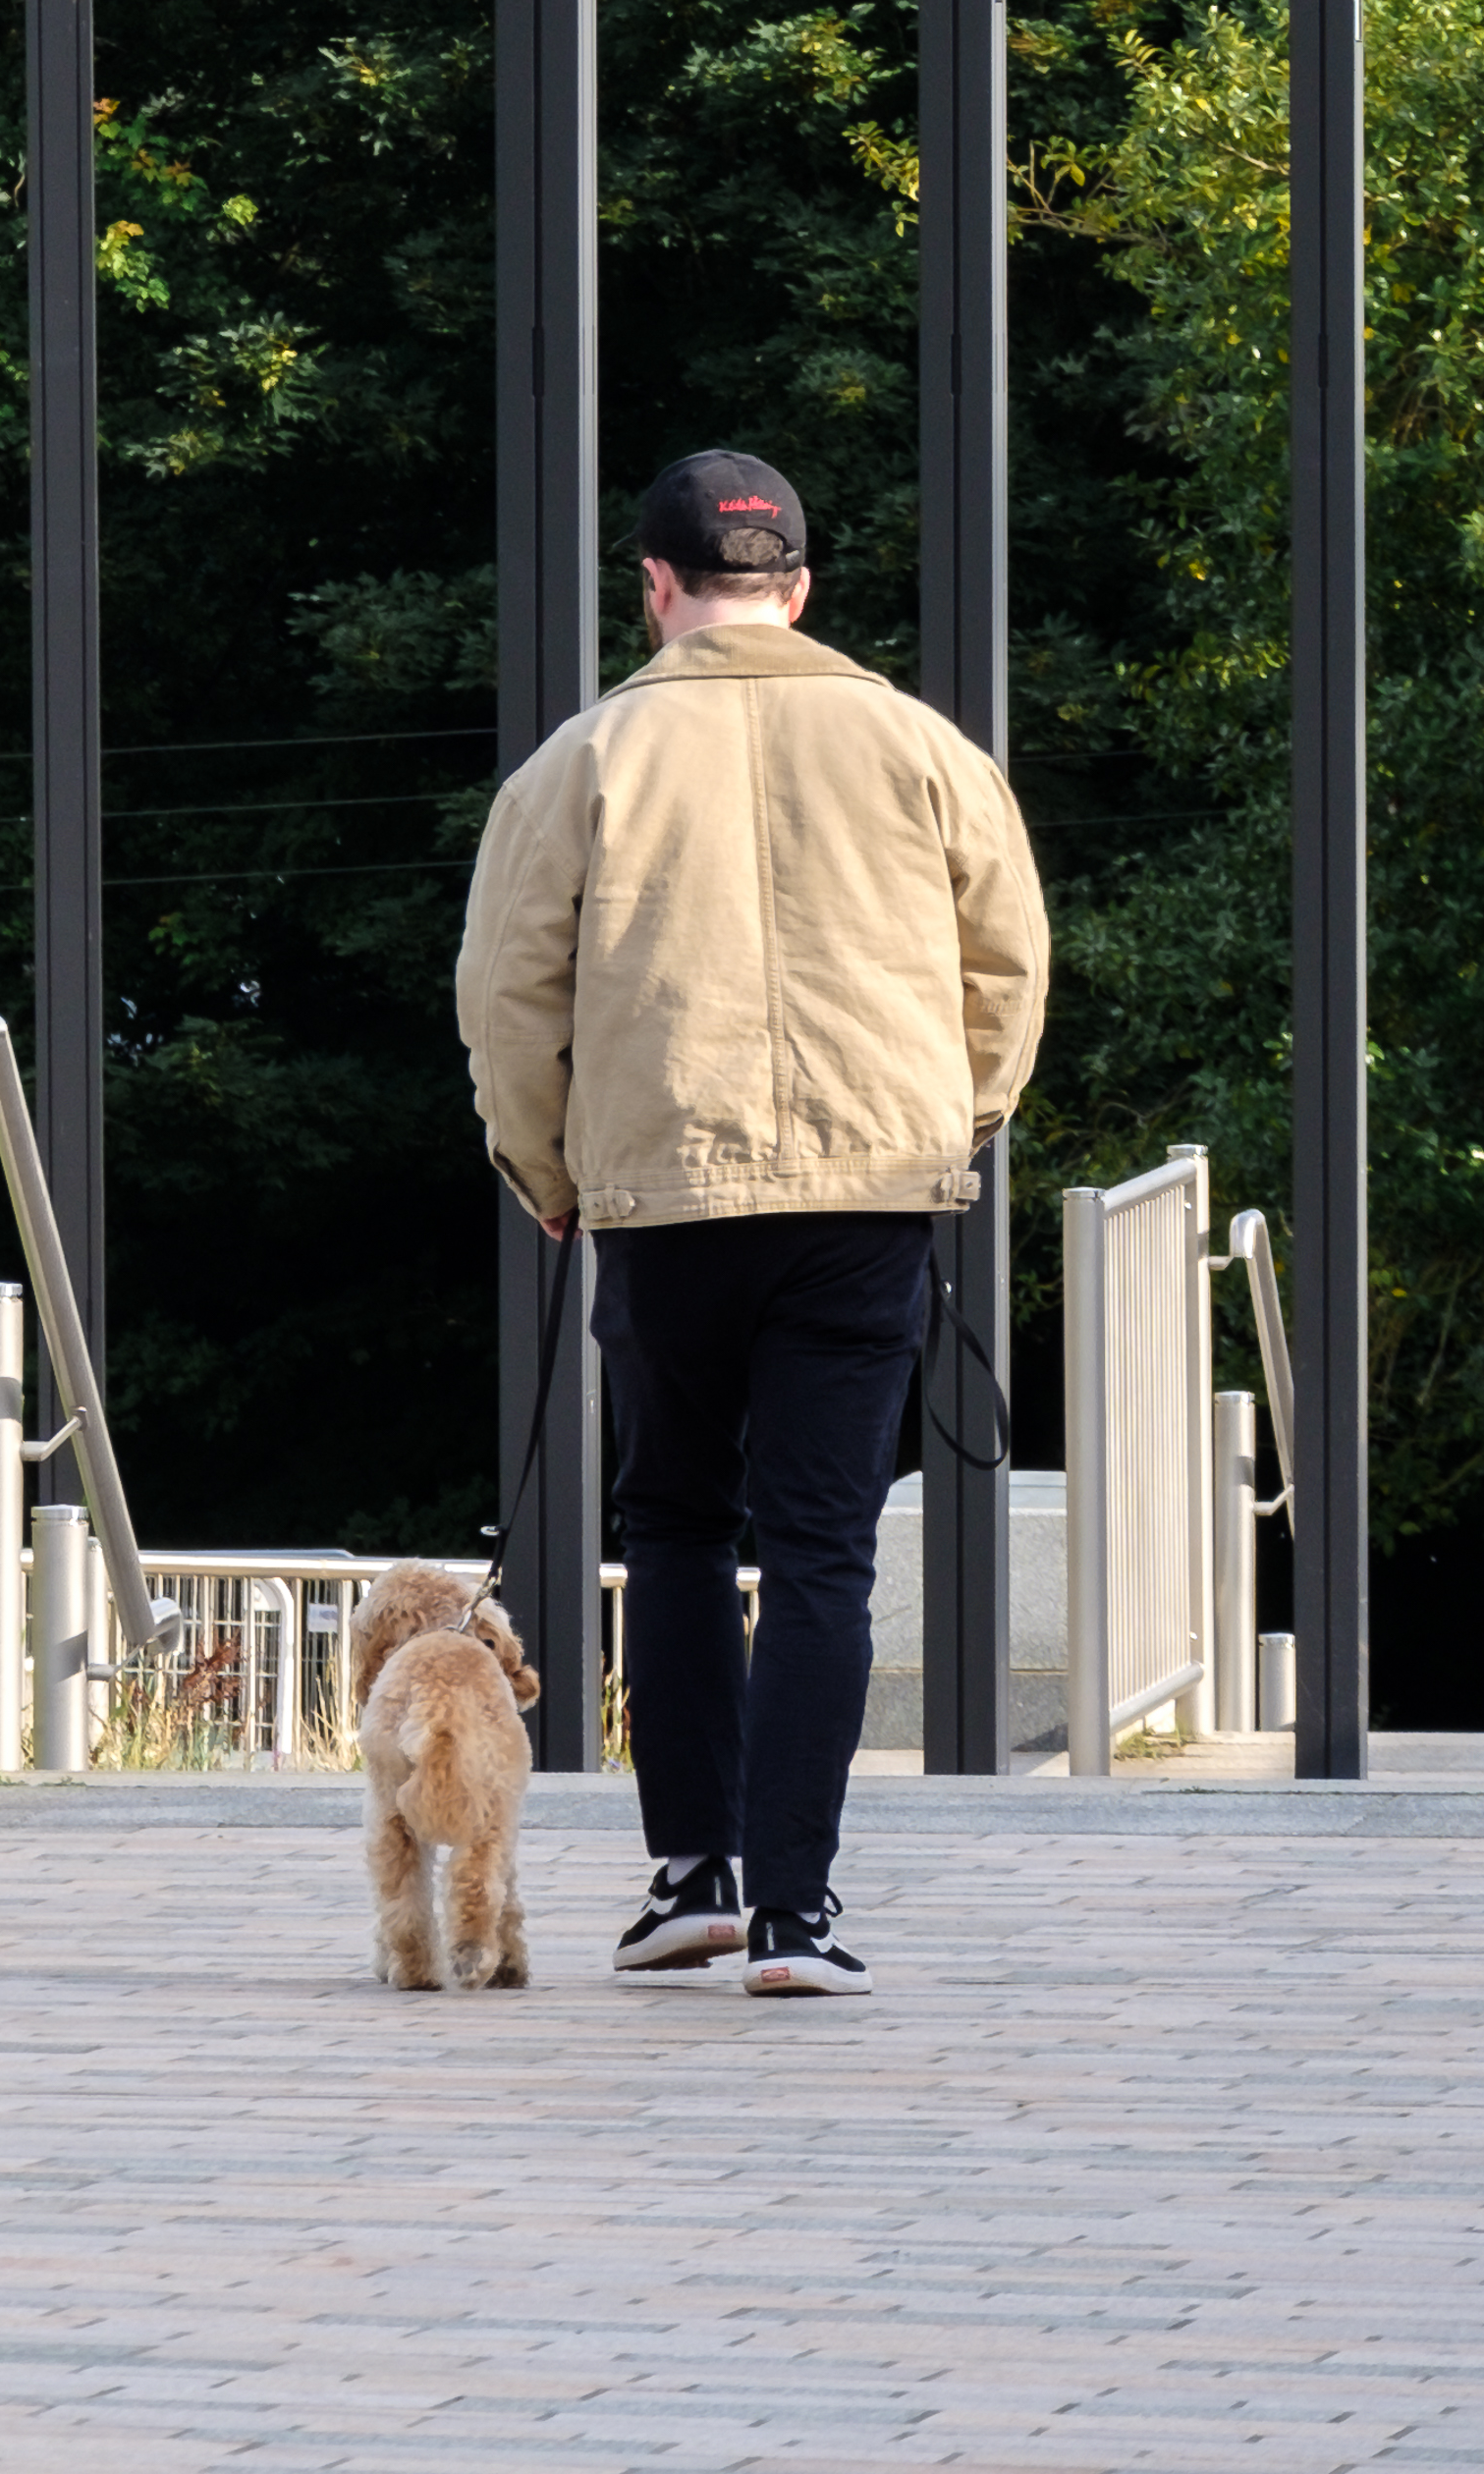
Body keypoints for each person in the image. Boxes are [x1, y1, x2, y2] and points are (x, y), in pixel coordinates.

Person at [455, 445, 1045, 2000]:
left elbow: (509, 997)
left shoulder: (582, 762)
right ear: (798, 589)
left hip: (662, 1190)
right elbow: (1010, 968)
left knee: (674, 1533)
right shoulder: (926, 748)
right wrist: (954, 1127)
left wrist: (547, 1171)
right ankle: (801, 1912)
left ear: (655, 588)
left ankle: (691, 1876)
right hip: (869, 1195)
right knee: (824, 1554)